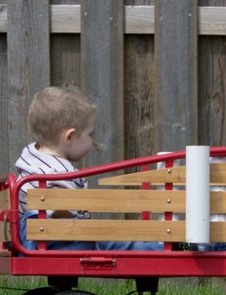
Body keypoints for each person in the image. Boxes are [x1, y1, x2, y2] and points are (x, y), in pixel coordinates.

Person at [12, 86, 163, 252]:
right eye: (90, 134)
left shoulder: (29, 158)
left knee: (114, 241)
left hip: (32, 240)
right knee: (119, 243)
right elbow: (69, 223)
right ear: (69, 137)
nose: (93, 142)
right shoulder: (59, 176)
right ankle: (162, 249)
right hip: (59, 244)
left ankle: (155, 248)